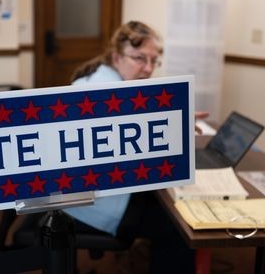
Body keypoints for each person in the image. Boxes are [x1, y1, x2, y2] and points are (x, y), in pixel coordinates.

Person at [65, 20, 199, 273]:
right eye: (139, 58)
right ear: (117, 57)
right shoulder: (101, 92)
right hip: (91, 203)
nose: (148, 69)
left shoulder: (111, 82)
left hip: (102, 190)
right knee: (179, 228)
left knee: (171, 205)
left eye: (153, 61)